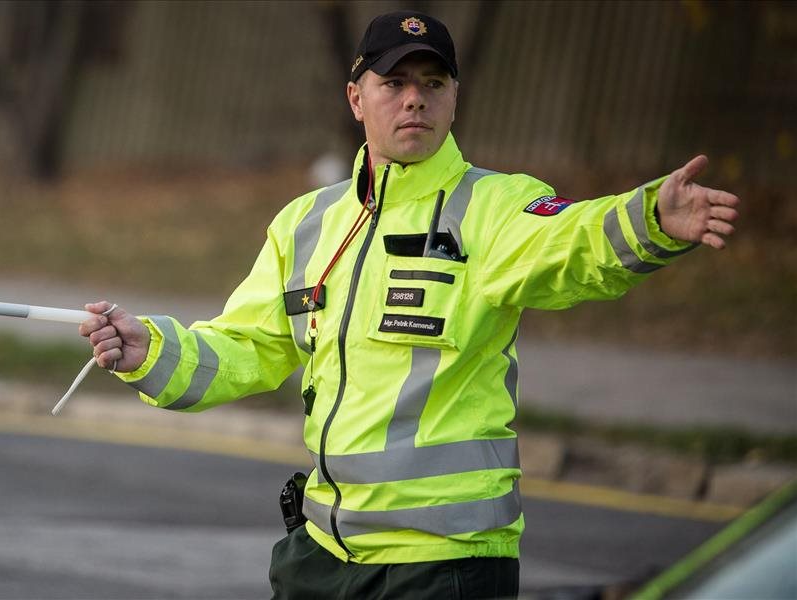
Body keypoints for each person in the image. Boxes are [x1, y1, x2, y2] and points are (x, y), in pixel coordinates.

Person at [79, 10, 739, 599]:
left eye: (433, 84)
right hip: (321, 557)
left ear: (454, 99)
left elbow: (571, 242)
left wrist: (649, 217)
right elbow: (249, 348)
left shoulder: (493, 206)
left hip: (443, 564)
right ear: (355, 98)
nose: (414, 100)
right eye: (394, 84)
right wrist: (151, 351)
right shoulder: (305, 223)